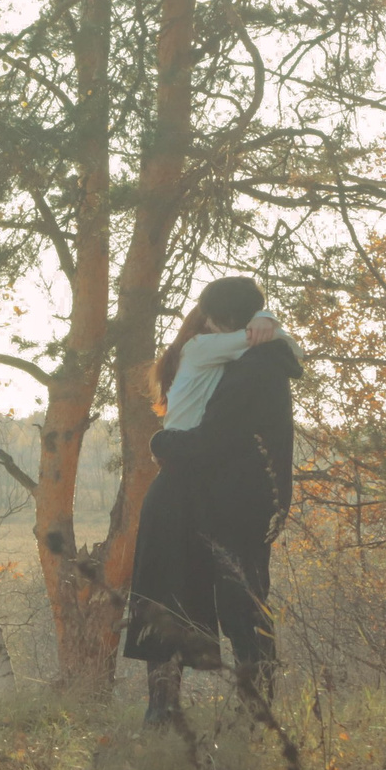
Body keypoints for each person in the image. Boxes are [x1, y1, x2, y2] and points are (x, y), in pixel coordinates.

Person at [121, 275, 303, 726]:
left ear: (209, 314)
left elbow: (283, 350)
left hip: (190, 474)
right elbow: (287, 349)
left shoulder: (227, 355)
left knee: (167, 591)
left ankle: (162, 708)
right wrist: (268, 319)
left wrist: (267, 318)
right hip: (188, 473)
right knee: (205, 592)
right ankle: (180, 709)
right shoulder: (208, 349)